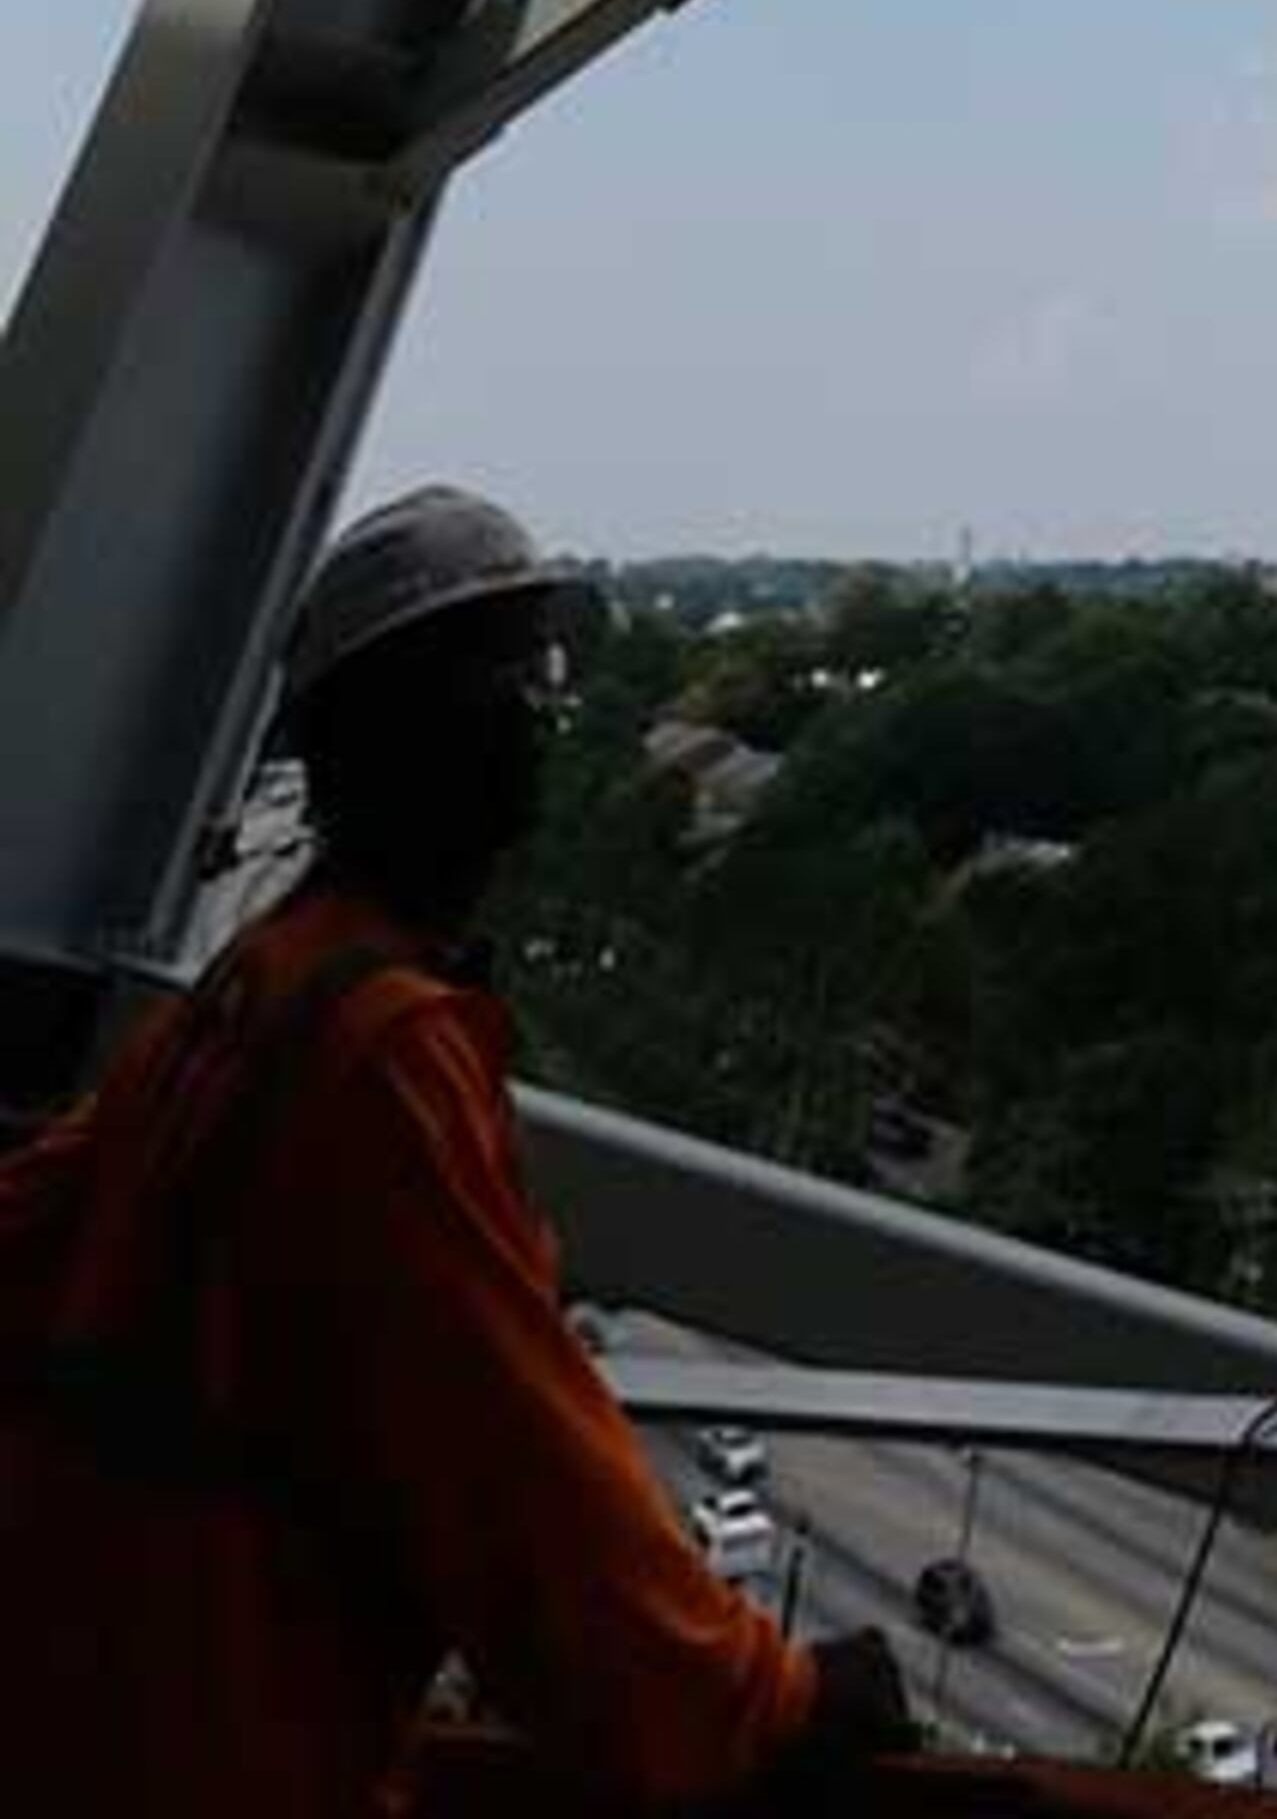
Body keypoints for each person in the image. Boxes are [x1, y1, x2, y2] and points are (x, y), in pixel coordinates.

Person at [0, 484, 917, 1816]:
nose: (539, 721)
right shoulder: (381, 1055)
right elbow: (524, 1475)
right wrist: (769, 1702)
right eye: (508, 685)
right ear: (406, 736)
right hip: (226, 1742)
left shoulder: (257, 990)